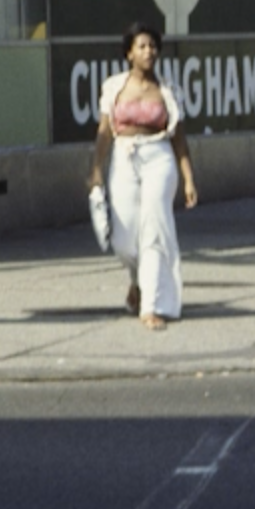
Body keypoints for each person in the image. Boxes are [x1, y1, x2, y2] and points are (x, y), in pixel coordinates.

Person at [92, 21, 199, 329]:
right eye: (141, 46)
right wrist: (96, 170)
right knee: (124, 237)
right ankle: (137, 282)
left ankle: (152, 306)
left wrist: (188, 178)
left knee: (155, 228)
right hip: (124, 159)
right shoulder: (114, 87)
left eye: (152, 46)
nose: (148, 51)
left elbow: (179, 139)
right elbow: (103, 133)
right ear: (129, 53)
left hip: (159, 159)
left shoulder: (168, 90)